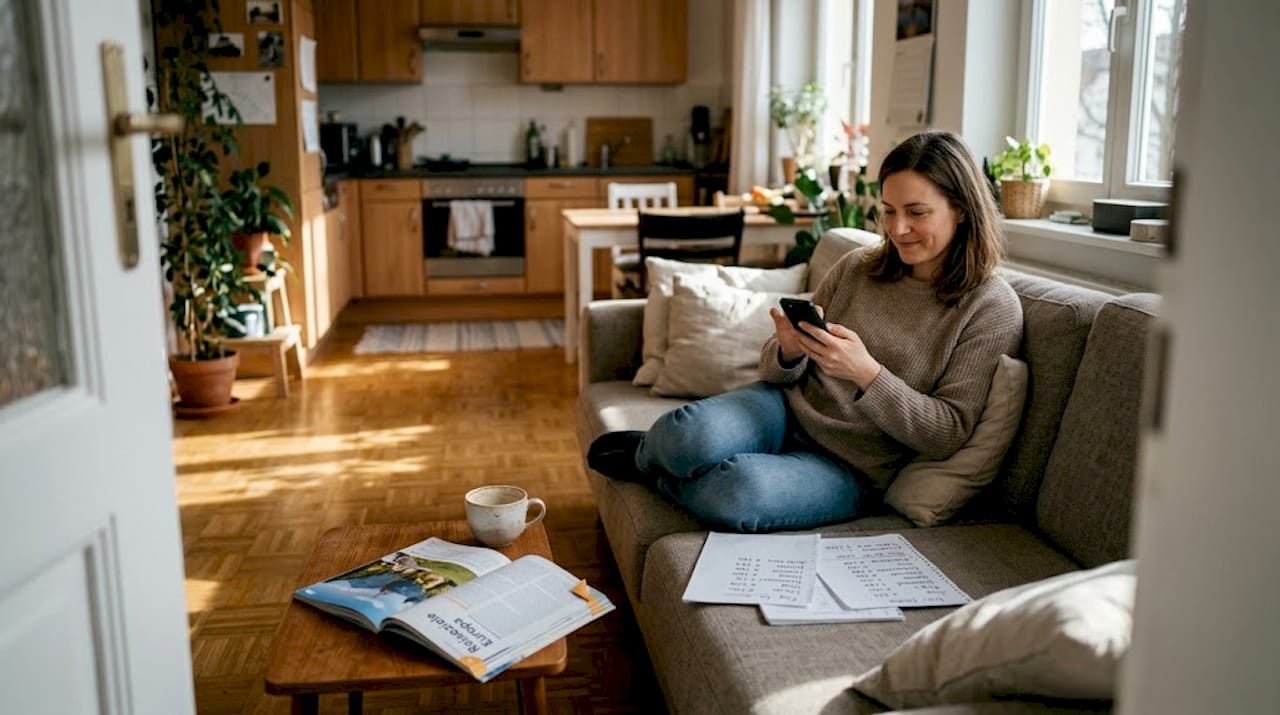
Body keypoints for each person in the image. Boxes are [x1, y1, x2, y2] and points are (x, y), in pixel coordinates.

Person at [588, 130, 1023, 532]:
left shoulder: (990, 307)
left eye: (916, 213)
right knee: (688, 433)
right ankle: (649, 453)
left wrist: (866, 373)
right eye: (888, 211)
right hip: (783, 409)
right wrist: (789, 353)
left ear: (962, 210)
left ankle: (661, 475)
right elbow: (774, 373)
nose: (897, 229)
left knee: (741, 492)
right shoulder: (859, 268)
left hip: (853, 468)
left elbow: (947, 433)